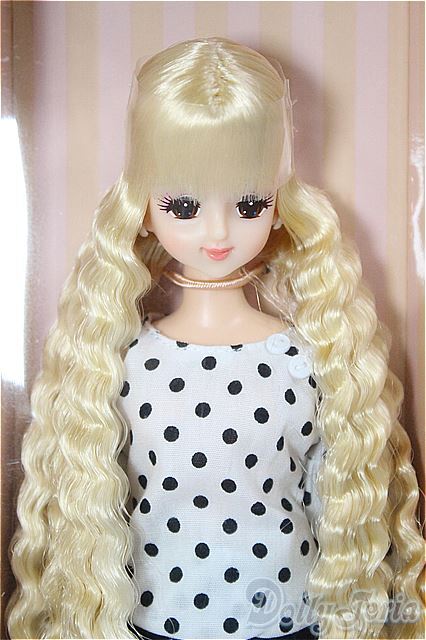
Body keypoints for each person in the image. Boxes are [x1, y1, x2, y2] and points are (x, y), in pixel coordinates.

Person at [6, 37, 425, 640]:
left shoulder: (309, 360)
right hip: (157, 617)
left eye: (249, 202)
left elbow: (330, 499)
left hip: (286, 617)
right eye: (183, 204)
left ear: (279, 205)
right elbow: (101, 503)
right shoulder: (118, 364)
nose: (219, 232)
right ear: (143, 208)